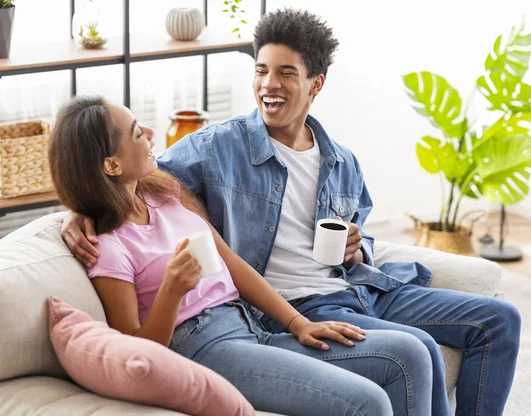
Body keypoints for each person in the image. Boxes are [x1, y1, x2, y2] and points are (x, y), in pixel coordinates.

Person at [62, 8, 521, 416]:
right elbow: (105, 182)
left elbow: (218, 245)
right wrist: (78, 210)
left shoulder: (341, 161)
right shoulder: (217, 148)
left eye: (285, 72)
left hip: (350, 288)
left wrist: (357, 251)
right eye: (261, 70)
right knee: (411, 352)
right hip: (273, 312)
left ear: (315, 84)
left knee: (500, 321)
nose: (268, 84)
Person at [49, 95, 439, 416]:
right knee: (367, 402)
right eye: (137, 132)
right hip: (204, 348)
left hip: (252, 325)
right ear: (111, 164)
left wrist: (298, 322)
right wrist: (171, 290)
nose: (151, 132)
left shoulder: (162, 195)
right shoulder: (109, 249)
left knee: (410, 353)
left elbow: (232, 265)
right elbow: (136, 351)